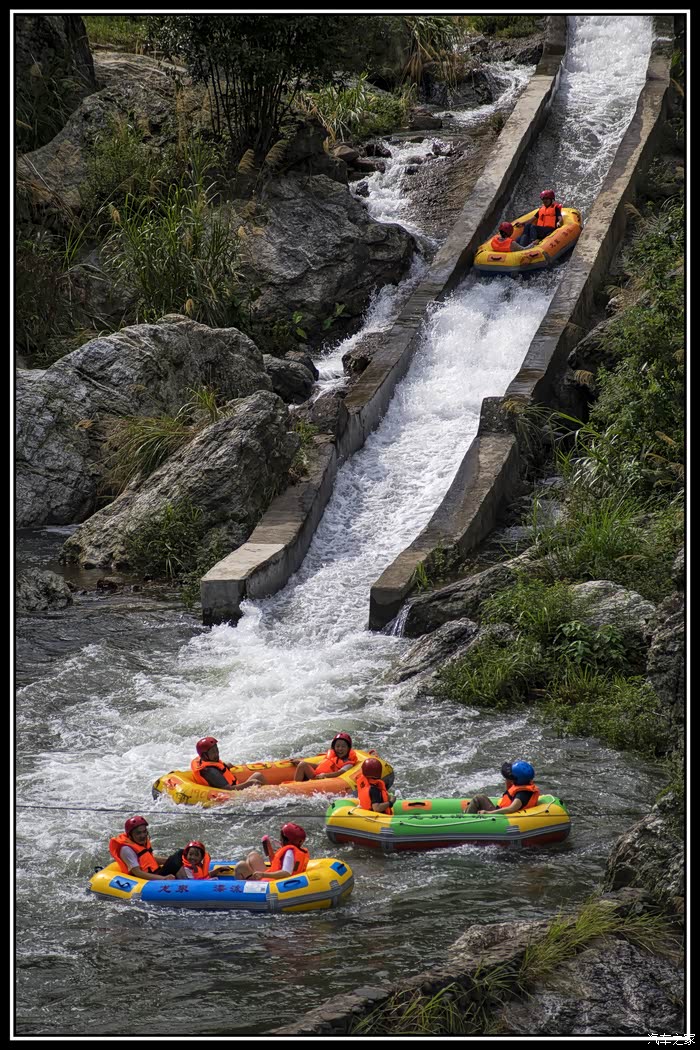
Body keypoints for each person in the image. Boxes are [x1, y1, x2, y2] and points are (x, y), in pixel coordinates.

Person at [109, 816, 187, 881]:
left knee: (180, 855)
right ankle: (187, 883)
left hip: (155, 872)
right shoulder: (127, 850)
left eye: (144, 831)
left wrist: (171, 860)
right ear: (130, 835)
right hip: (148, 880)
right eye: (138, 833)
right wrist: (163, 878)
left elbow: (148, 859)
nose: (143, 835)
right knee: (178, 856)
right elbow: (138, 873)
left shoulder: (141, 842)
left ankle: (187, 880)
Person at [233, 823, 309, 881]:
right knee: (253, 856)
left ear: (286, 840)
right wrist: (269, 848)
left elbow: (286, 873)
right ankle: (250, 878)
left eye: (281, 837)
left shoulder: (289, 853)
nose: (280, 839)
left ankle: (242, 890)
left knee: (240, 866)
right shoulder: (295, 850)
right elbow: (277, 864)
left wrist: (263, 874)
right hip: (273, 876)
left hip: (272, 882)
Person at [190, 736, 266, 791]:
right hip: (231, 796)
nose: (216, 753)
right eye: (213, 752)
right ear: (204, 755)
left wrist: (225, 765)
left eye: (216, 749)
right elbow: (227, 789)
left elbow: (217, 767)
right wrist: (249, 784)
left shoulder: (203, 760)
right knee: (256, 780)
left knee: (258, 775)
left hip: (233, 789)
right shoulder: (210, 772)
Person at [465, 761, 540, 815]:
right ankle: (468, 812)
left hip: (501, 817)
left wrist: (488, 813)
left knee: (478, 798)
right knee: (480, 798)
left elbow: (511, 809)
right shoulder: (524, 784)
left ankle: (466, 820)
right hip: (500, 811)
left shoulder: (522, 795)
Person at [292, 731, 359, 782]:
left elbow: (341, 772)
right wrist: (301, 762)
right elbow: (318, 765)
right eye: (337, 746)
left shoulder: (348, 763)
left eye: (343, 746)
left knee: (302, 765)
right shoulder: (332, 757)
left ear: (348, 748)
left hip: (325, 780)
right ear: (334, 747)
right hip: (317, 776)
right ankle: (295, 785)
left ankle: (295, 788)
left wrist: (325, 775)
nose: (340, 749)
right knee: (302, 765)